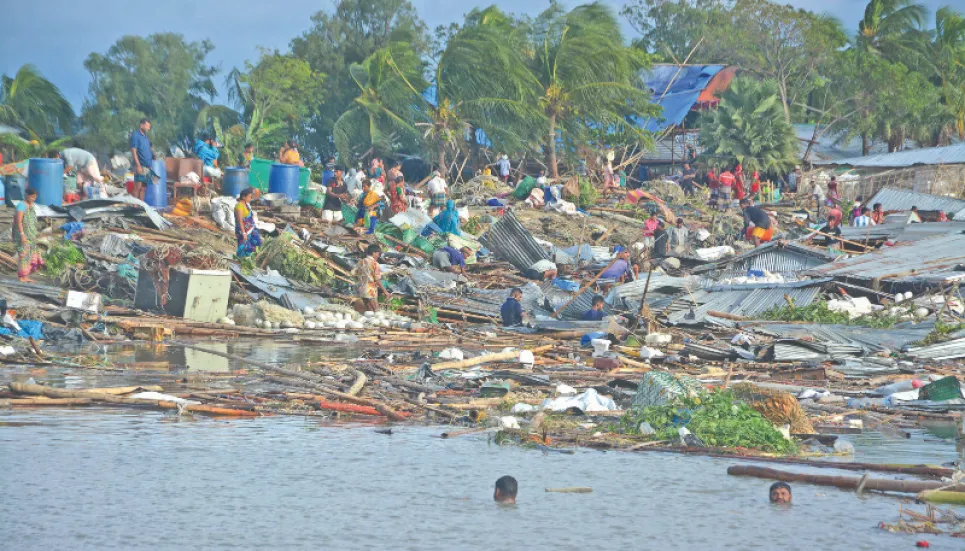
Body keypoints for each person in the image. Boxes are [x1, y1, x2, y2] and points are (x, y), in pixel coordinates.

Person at [14, 188, 43, 282]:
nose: (33, 199)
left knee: (30, 255)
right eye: (31, 197)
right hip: (23, 235)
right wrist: (22, 235)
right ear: (26, 195)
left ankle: (26, 276)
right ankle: (21, 277)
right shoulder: (21, 205)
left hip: (31, 235)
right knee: (23, 255)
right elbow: (18, 222)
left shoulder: (31, 206)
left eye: (34, 197)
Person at [354, 244, 390, 313]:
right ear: (374, 253)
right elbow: (377, 279)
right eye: (378, 254)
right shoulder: (375, 264)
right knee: (376, 312)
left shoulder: (360, 262)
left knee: (369, 313)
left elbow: (354, 273)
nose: (379, 256)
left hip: (362, 289)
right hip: (371, 290)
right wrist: (385, 292)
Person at [130, 118, 153, 201]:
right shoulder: (136, 136)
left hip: (147, 167)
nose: (148, 128)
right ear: (141, 125)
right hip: (140, 166)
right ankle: (133, 206)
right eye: (147, 126)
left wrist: (150, 166)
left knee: (144, 188)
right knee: (137, 187)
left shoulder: (146, 138)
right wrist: (138, 165)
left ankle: (141, 207)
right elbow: (133, 151)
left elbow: (148, 150)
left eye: (149, 127)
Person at [234, 188, 262, 257]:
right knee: (245, 247)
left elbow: (250, 215)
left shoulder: (246, 205)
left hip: (251, 229)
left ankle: (254, 259)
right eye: (249, 197)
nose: (250, 198)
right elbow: (240, 220)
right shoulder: (239, 206)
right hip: (243, 231)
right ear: (244, 197)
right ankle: (241, 261)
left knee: (257, 243)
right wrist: (243, 233)